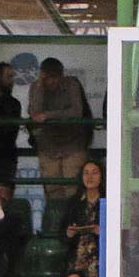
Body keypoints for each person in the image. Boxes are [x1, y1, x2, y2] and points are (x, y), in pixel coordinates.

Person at [27, 57, 95, 198]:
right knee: (52, 192)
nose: (52, 81)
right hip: (48, 146)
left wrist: (49, 115)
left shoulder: (72, 84)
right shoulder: (36, 87)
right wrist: (40, 85)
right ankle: (55, 220)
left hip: (73, 144)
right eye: (48, 77)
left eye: (55, 77)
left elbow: (76, 112)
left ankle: (72, 220)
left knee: (73, 190)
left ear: (61, 75)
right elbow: (35, 113)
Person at [56, 160, 105, 277]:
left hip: (101, 258)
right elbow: (62, 233)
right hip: (77, 258)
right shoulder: (73, 202)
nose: (90, 177)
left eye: (94, 173)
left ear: (102, 176)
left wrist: (102, 233)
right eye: (86, 173)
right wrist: (69, 234)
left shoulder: (108, 201)